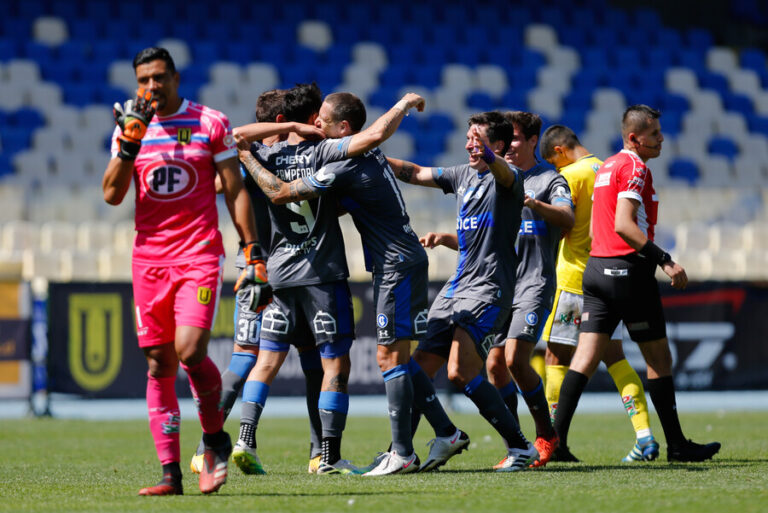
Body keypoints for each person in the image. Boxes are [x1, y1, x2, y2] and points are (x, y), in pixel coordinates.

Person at [240, 91, 469, 475]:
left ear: (344, 128)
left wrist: (249, 156)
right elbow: (389, 171)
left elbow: (281, 193)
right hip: (397, 261)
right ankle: (445, 433)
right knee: (398, 357)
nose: (315, 126)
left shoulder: (342, 165)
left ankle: (402, 452)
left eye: (322, 121)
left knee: (387, 358)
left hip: (395, 263)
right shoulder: (361, 157)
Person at [102, 47, 263, 495]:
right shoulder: (129, 128)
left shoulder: (211, 122)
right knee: (158, 362)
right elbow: (112, 194)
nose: (151, 87)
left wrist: (251, 249)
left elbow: (234, 190)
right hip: (148, 259)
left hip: (197, 254)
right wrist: (129, 145)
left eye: (159, 77)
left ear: (175, 78)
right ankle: (170, 475)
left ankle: (214, 438)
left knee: (190, 350)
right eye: (143, 80)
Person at [552, 105, 721, 462]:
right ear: (634, 138)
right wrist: (666, 260)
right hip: (627, 271)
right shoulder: (635, 167)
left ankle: (554, 443)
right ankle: (676, 445)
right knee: (659, 358)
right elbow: (624, 226)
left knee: (583, 359)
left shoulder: (608, 166)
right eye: (655, 134)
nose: (662, 139)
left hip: (595, 271)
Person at [188, 89, 326, 476]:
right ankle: (208, 446)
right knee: (255, 358)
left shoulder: (260, 160)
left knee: (295, 359)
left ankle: (315, 452)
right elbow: (232, 140)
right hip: (262, 268)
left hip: (283, 268)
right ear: (282, 121)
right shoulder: (253, 157)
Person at [390, 111, 537, 471]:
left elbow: (502, 171)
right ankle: (403, 452)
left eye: (478, 139)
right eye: (469, 138)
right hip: (456, 288)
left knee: (458, 370)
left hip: (489, 288)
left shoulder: (509, 178)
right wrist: (367, 151)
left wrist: (489, 155)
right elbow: (415, 172)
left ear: (498, 145)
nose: (469, 144)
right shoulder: (461, 175)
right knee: (418, 369)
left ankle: (521, 447)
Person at [538, 124, 659, 463]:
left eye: (553, 163)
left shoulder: (569, 177)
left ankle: (553, 439)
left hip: (575, 281)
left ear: (559, 151)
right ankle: (644, 436)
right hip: (609, 278)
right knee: (617, 360)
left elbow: (560, 224)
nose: (554, 170)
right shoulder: (608, 168)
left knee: (556, 360)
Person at [483, 111, 574, 469]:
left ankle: (545, 434)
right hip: (502, 285)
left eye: (516, 139)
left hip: (534, 284)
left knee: (515, 359)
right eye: (503, 140)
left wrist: (537, 205)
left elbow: (567, 219)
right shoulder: (498, 178)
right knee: (494, 365)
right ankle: (517, 446)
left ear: (534, 141)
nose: (507, 147)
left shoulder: (550, 179)